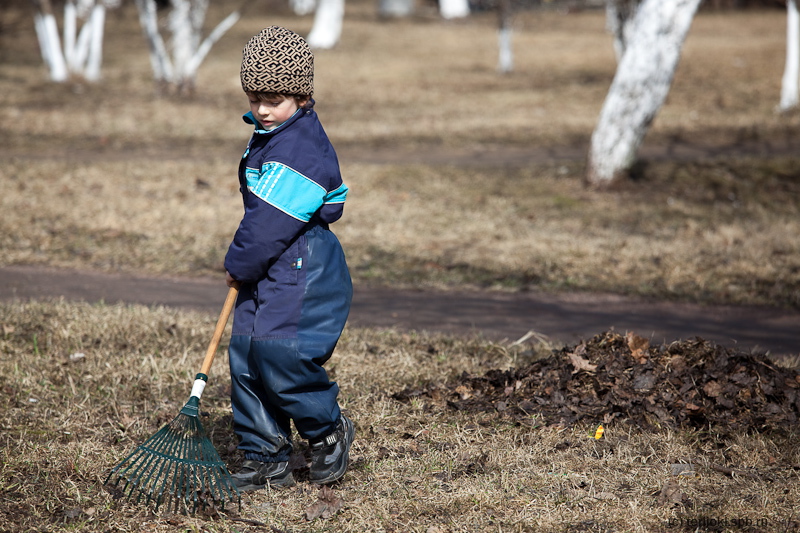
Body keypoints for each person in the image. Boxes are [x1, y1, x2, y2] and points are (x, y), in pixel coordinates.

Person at [224, 26, 354, 491]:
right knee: (246, 354)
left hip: (302, 263)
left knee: (280, 353)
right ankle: (265, 454)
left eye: (273, 99)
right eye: (254, 97)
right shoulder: (273, 132)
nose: (261, 109)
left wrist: (239, 263)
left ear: (300, 96)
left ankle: (327, 430)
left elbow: (268, 224)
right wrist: (249, 264)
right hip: (269, 262)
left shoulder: (300, 149)